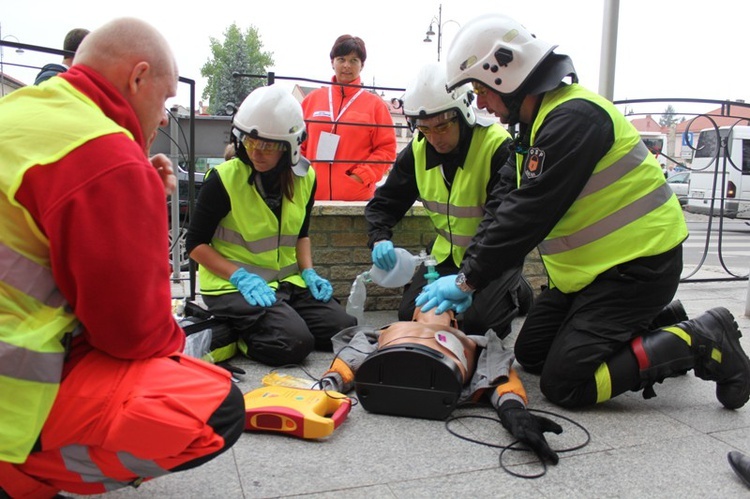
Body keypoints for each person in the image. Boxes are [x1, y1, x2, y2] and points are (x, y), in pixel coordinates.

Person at [416, 13, 750, 411]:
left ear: (505, 73)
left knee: (566, 386)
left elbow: (529, 212)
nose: (481, 101)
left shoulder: (575, 118)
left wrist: (468, 281)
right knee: (534, 355)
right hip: (595, 277)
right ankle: (659, 323)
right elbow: (502, 207)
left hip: (638, 269)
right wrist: (468, 272)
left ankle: (702, 339)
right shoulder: (532, 129)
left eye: (481, 89)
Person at [0, 18, 245, 497]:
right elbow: (134, 335)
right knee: (214, 407)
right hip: (15, 388)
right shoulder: (106, 154)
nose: (161, 118)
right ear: (137, 78)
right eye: (166, 100)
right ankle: (22, 475)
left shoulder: (19, 111)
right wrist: (146, 207)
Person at [187, 85, 357, 367]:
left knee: (343, 329)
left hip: (284, 284)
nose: (257, 151)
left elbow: (301, 234)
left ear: (290, 146)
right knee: (293, 344)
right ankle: (234, 335)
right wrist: (240, 277)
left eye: (268, 145)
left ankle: (277, 319)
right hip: (232, 287)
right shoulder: (223, 180)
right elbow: (195, 244)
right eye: (252, 142)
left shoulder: (305, 178)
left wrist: (310, 272)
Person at [365, 61, 530, 338]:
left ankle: (517, 290)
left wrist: (471, 280)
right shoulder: (419, 148)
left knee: (481, 325)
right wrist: (379, 237)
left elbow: (500, 222)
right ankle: (506, 289)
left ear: (463, 113)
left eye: (442, 127)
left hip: (493, 256)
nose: (433, 139)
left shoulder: (496, 146)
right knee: (410, 313)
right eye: (425, 129)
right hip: (447, 254)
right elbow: (385, 202)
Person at [320, 306, 562, 464]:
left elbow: (496, 370)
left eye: (445, 307)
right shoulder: (389, 329)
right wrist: (331, 383)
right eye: (425, 304)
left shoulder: (473, 341)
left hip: (446, 374)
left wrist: (513, 410)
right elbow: (356, 353)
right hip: (393, 361)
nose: (434, 308)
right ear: (413, 315)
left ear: (454, 321)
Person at [300, 34, 396, 201]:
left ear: (362, 65)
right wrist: (301, 174)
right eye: (341, 59)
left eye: (354, 60)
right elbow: (297, 144)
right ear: (332, 62)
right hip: (309, 197)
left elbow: (386, 150)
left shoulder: (375, 105)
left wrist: (360, 176)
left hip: (356, 200)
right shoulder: (312, 100)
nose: (346, 66)